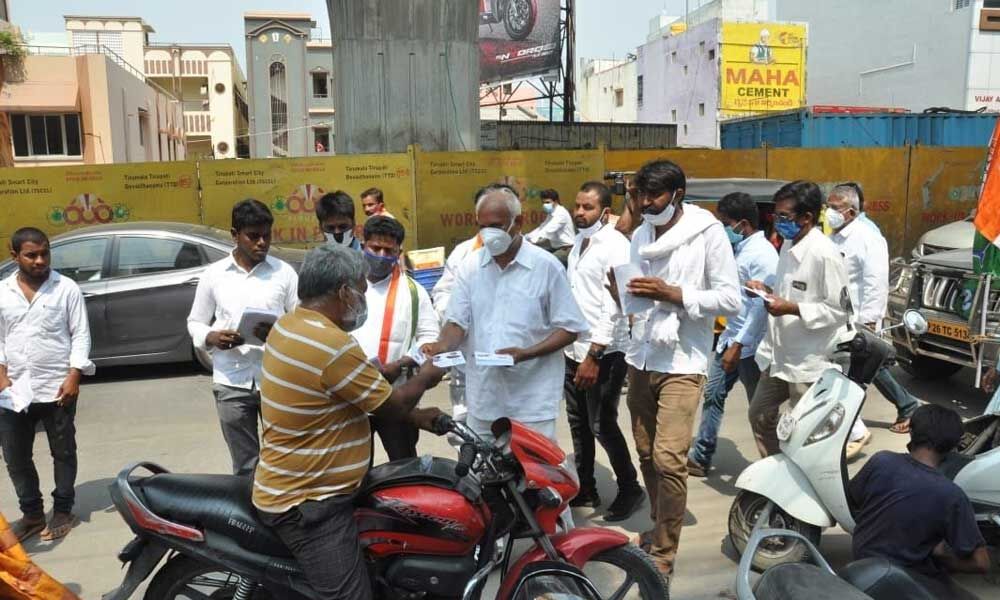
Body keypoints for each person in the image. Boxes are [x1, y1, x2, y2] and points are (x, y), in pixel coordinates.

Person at [253, 243, 445, 600]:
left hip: (304, 483)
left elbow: (347, 390)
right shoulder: (331, 343)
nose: (362, 296)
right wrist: (434, 370)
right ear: (344, 292)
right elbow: (392, 405)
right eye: (360, 287)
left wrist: (416, 415)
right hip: (310, 503)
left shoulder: (290, 324)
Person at [608, 160, 741, 576]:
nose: (646, 204)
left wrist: (675, 294)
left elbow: (730, 299)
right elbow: (634, 296)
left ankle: (665, 550)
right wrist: (622, 292)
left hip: (683, 358)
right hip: (641, 354)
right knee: (647, 451)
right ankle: (658, 527)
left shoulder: (707, 232)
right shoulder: (642, 234)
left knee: (668, 457)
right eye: (641, 196)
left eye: (655, 196)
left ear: (678, 194)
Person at [422, 184, 588, 444]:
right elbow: (456, 322)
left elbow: (570, 329)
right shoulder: (470, 267)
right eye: (482, 226)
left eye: (497, 226)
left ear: (518, 222)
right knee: (483, 476)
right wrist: (441, 345)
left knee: (531, 478)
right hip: (484, 398)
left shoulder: (546, 267)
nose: (489, 235)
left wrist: (525, 353)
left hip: (532, 401)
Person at [187, 199, 299, 476]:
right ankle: (251, 514)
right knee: (245, 463)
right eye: (253, 236)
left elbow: (300, 321)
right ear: (235, 235)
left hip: (275, 379)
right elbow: (195, 322)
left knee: (285, 457)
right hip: (231, 381)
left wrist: (279, 333)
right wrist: (212, 336)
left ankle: (285, 513)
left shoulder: (283, 273)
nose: (262, 242)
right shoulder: (214, 275)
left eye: (267, 235)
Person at [0, 227, 94, 542]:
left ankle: (63, 509)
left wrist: (74, 375)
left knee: (64, 451)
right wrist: (1, 375)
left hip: (57, 387)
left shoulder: (65, 288)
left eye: (45, 253)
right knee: (16, 457)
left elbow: (80, 333)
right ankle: (31, 514)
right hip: (13, 392)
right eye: (31, 255)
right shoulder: (2, 292)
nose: (40, 260)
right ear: (15, 256)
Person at [748, 181, 851, 458]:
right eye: (776, 216)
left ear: (806, 217)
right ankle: (774, 472)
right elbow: (787, 292)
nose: (779, 222)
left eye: (785, 217)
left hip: (808, 360)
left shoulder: (824, 254)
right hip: (778, 354)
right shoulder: (788, 245)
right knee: (759, 415)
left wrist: (792, 308)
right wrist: (768, 292)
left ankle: (798, 481)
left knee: (803, 432)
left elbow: (839, 310)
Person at [562, 181, 644, 521]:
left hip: (605, 352)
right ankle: (586, 488)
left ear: (605, 211)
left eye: (588, 208)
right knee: (578, 422)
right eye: (578, 206)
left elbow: (616, 305)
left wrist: (594, 354)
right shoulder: (579, 242)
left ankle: (630, 488)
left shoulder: (616, 246)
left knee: (601, 423)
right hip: (574, 349)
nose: (580, 212)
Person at [849, 404, 989, 598]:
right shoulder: (951, 495)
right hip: (905, 582)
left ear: (911, 432)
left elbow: (853, 501)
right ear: (952, 446)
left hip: (862, 567)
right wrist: (943, 558)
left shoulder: (881, 461)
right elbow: (981, 563)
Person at [688, 192, 778, 478]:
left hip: (750, 346)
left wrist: (739, 346)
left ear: (741, 224)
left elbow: (760, 308)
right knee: (713, 394)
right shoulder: (736, 250)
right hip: (730, 338)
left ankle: (776, 464)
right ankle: (701, 455)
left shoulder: (763, 255)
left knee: (760, 411)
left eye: (725, 223)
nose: (723, 229)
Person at [828, 184, 919, 438]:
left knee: (858, 372)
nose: (829, 212)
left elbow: (876, 282)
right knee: (870, 366)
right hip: (839, 318)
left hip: (860, 319)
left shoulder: (868, 237)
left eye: (834, 208)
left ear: (851, 211)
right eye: (828, 207)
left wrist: (869, 322)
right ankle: (907, 405)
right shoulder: (833, 237)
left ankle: (850, 428)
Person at [353, 216, 440, 460]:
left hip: (397, 397)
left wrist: (402, 364)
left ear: (399, 251)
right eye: (375, 248)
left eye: (388, 250)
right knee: (355, 472)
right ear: (363, 245)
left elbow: (430, 340)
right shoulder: (345, 285)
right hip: (351, 399)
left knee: (404, 465)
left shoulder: (413, 292)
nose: (381, 255)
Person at [525, 188, 576, 263]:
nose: (545, 205)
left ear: (556, 201)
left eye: (548, 202)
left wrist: (533, 241)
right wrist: (526, 238)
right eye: (543, 203)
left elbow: (547, 231)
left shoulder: (561, 214)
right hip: (556, 247)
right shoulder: (551, 213)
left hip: (567, 249)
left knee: (547, 263)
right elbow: (541, 228)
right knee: (539, 255)